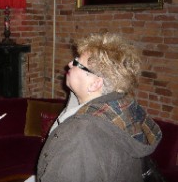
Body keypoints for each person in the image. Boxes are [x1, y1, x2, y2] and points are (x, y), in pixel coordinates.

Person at [37, 32, 162, 182]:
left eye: (77, 63)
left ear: (95, 84)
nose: (70, 64)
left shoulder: (79, 135)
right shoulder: (122, 108)